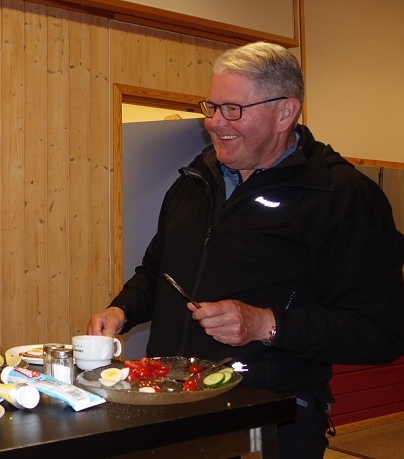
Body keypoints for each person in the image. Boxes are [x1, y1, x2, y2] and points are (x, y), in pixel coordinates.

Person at [88, 42, 404, 458]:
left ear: (285, 112)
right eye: (211, 107)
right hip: (175, 405)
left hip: (272, 417)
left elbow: (381, 332)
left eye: (233, 109)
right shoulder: (193, 183)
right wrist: (122, 310)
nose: (216, 123)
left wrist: (266, 325)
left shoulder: (340, 197)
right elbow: (157, 271)